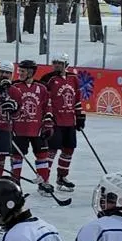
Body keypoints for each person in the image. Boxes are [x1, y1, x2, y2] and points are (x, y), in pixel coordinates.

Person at [40, 54, 86, 190]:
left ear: (66, 64)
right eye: (55, 63)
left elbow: (76, 99)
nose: (56, 65)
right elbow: (43, 100)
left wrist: (80, 116)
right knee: (51, 151)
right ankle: (44, 180)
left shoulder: (73, 79)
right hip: (55, 121)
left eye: (60, 63)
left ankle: (61, 177)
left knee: (68, 149)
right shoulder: (48, 79)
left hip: (69, 121)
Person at [6, 57, 52, 188]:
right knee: (16, 157)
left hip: (37, 129)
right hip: (18, 129)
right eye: (19, 71)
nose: (19, 73)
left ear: (31, 72)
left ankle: (44, 183)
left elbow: (47, 107)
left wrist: (48, 124)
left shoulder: (41, 89)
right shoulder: (13, 87)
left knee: (42, 156)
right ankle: (15, 183)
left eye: (23, 71)